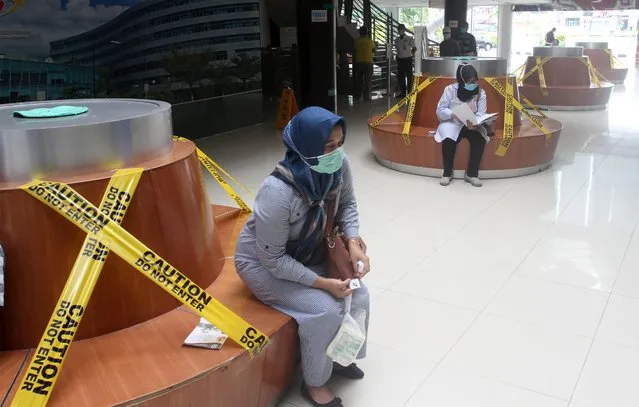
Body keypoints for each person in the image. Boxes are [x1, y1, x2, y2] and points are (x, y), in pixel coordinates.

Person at [234, 106, 371, 407]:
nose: (336, 153)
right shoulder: (277, 192)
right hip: (262, 264)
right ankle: (315, 384)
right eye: (327, 147)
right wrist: (323, 283)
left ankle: (342, 357)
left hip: (309, 251)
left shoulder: (338, 165)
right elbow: (273, 260)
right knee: (325, 310)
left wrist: (354, 243)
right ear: (305, 147)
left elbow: (347, 205)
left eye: (339, 144)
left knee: (360, 296)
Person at [434, 64, 490, 187]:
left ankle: (472, 174)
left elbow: (481, 113)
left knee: (479, 139)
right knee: (448, 139)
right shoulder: (450, 90)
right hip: (452, 122)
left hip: (470, 124)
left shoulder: (481, 93)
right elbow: (440, 110)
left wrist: (476, 123)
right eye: (471, 81)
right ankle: (447, 173)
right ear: (462, 80)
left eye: (476, 81)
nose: (474, 84)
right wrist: (453, 114)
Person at [394, 23, 416, 98]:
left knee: (409, 76)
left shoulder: (409, 38)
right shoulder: (396, 40)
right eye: (398, 29)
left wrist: (410, 54)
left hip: (408, 59)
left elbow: (414, 48)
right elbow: (397, 50)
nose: (399, 30)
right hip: (400, 59)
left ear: (404, 30)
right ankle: (403, 93)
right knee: (401, 76)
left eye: (401, 29)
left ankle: (410, 92)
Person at [354, 26, 375, 102]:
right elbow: (373, 50)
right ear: (367, 33)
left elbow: (355, 50)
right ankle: (366, 98)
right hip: (369, 62)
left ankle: (358, 96)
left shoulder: (357, 41)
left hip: (359, 62)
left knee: (359, 80)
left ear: (360, 32)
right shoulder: (370, 41)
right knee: (367, 81)